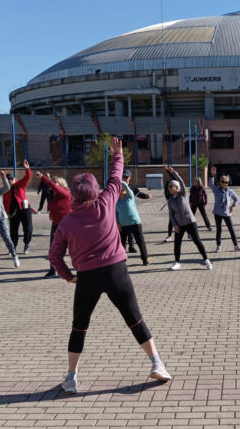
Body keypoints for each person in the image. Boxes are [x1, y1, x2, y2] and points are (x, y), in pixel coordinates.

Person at [49, 137, 171, 395]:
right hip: (116, 271)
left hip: (87, 278)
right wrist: (117, 154)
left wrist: (67, 276)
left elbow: (55, 255)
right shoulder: (105, 203)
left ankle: (71, 378)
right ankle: (157, 364)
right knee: (134, 319)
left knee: (79, 326)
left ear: (73, 193)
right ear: (94, 190)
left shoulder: (67, 223)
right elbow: (116, 177)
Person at [165, 165, 212, 271]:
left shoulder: (183, 194)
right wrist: (175, 225)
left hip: (190, 222)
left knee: (197, 241)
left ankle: (206, 260)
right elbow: (171, 215)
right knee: (177, 244)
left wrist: (173, 173)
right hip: (179, 225)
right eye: (169, 186)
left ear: (177, 188)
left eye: (171, 186)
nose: (169, 188)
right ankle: (177, 262)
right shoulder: (170, 200)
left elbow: (181, 181)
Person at [36, 173, 72, 277]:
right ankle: (52, 270)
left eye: (55, 183)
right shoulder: (52, 196)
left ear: (61, 184)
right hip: (56, 225)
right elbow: (53, 207)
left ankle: (82, 269)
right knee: (53, 249)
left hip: (68, 225)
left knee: (74, 248)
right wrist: (51, 215)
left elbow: (54, 186)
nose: (52, 185)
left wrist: (44, 178)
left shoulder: (65, 192)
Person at [208, 166, 240, 253]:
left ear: (228, 183)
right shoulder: (216, 189)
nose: (224, 183)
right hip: (217, 213)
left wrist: (233, 206)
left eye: (226, 182)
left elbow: (237, 199)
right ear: (220, 182)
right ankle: (218, 246)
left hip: (227, 213)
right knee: (219, 230)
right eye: (223, 182)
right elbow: (210, 184)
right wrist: (212, 176)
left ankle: (236, 245)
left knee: (231, 229)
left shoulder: (230, 191)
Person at [116, 174, 149, 266]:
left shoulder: (130, 197)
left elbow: (126, 186)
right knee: (122, 244)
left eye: (123, 189)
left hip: (135, 223)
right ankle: (122, 260)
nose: (122, 189)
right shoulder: (116, 201)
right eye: (120, 189)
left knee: (140, 241)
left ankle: (145, 259)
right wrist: (117, 223)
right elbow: (116, 214)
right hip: (123, 225)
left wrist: (119, 180)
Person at [3, 160, 33, 254]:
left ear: (14, 179)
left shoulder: (19, 185)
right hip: (13, 212)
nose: (10, 180)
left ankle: (26, 244)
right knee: (13, 231)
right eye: (8, 179)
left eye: (12, 179)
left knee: (28, 228)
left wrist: (27, 169)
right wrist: (7, 213)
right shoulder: (5, 190)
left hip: (25, 209)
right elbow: (4, 202)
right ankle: (13, 248)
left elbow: (27, 177)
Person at [121, 169, 153, 253]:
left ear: (130, 177)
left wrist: (146, 196)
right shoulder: (118, 186)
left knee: (131, 231)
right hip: (121, 212)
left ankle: (131, 246)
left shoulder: (131, 187)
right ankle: (121, 251)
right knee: (123, 232)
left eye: (126, 177)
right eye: (123, 177)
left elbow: (138, 194)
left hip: (131, 212)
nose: (124, 178)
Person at [163, 170, 174, 243]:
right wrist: (168, 198)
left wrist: (167, 170)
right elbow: (165, 192)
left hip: (179, 205)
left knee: (183, 221)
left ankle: (190, 233)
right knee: (171, 220)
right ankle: (169, 236)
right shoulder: (168, 182)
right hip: (171, 203)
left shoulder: (176, 181)